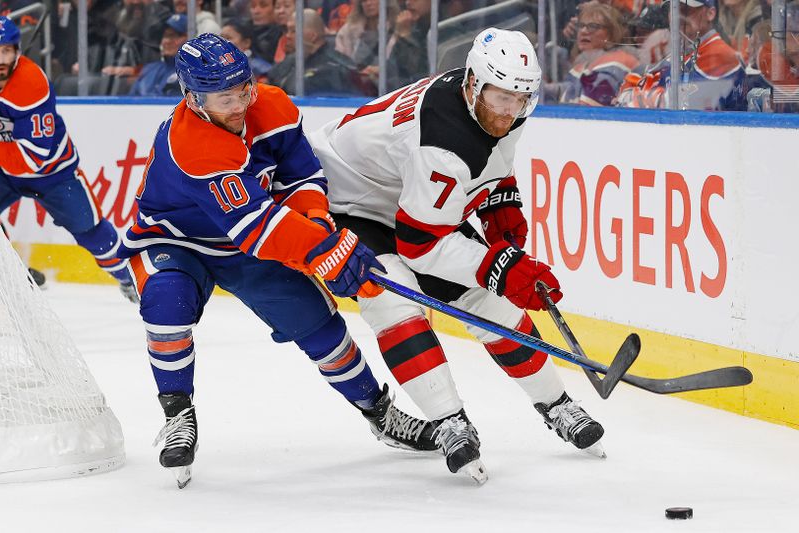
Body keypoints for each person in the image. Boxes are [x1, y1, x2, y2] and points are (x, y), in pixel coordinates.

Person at [117, 33, 438, 488]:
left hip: (246, 245)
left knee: (320, 326)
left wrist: (317, 222)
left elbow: (302, 174)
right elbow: (258, 227)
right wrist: (322, 251)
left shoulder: (271, 105)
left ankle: (380, 414)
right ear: (192, 98)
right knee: (167, 304)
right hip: (176, 240)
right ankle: (177, 412)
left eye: (244, 88)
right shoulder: (193, 144)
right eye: (225, 96)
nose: (240, 103)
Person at [308, 28, 605, 483]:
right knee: (396, 301)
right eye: (500, 97)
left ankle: (556, 404)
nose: (509, 111)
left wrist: (500, 203)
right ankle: (449, 421)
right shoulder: (440, 141)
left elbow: (491, 158)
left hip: (409, 195)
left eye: (519, 99)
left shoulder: (496, 106)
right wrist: (502, 268)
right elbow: (420, 246)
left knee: (491, 304)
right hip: (351, 202)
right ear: (472, 82)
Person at [0, 16, 136, 301]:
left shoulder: (29, 84)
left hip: (52, 174)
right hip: (5, 168)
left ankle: (128, 277)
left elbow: (30, 160)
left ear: (16, 51)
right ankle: (10, 271)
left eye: (5, 51)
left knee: (92, 232)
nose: (0, 59)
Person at [616, 0, 746, 110]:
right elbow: (626, 94)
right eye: (673, 8)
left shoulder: (719, 54)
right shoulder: (681, 51)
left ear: (710, 13)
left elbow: (683, 106)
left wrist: (639, 96)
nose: (677, 15)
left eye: (685, 9)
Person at [268, 9, 374, 96]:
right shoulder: (290, 60)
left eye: (293, 31)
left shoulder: (337, 66)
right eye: (287, 30)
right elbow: (272, 79)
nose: (288, 36)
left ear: (312, 36)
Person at [552, 1, 639, 106]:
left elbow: (586, 110)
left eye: (593, 26)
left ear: (612, 33)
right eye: (581, 25)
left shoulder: (617, 63)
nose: (584, 31)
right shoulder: (582, 64)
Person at [128, 14, 187, 96]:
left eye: (173, 36)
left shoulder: (193, 75)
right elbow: (130, 103)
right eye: (165, 36)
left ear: (190, 39)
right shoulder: (149, 70)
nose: (166, 41)